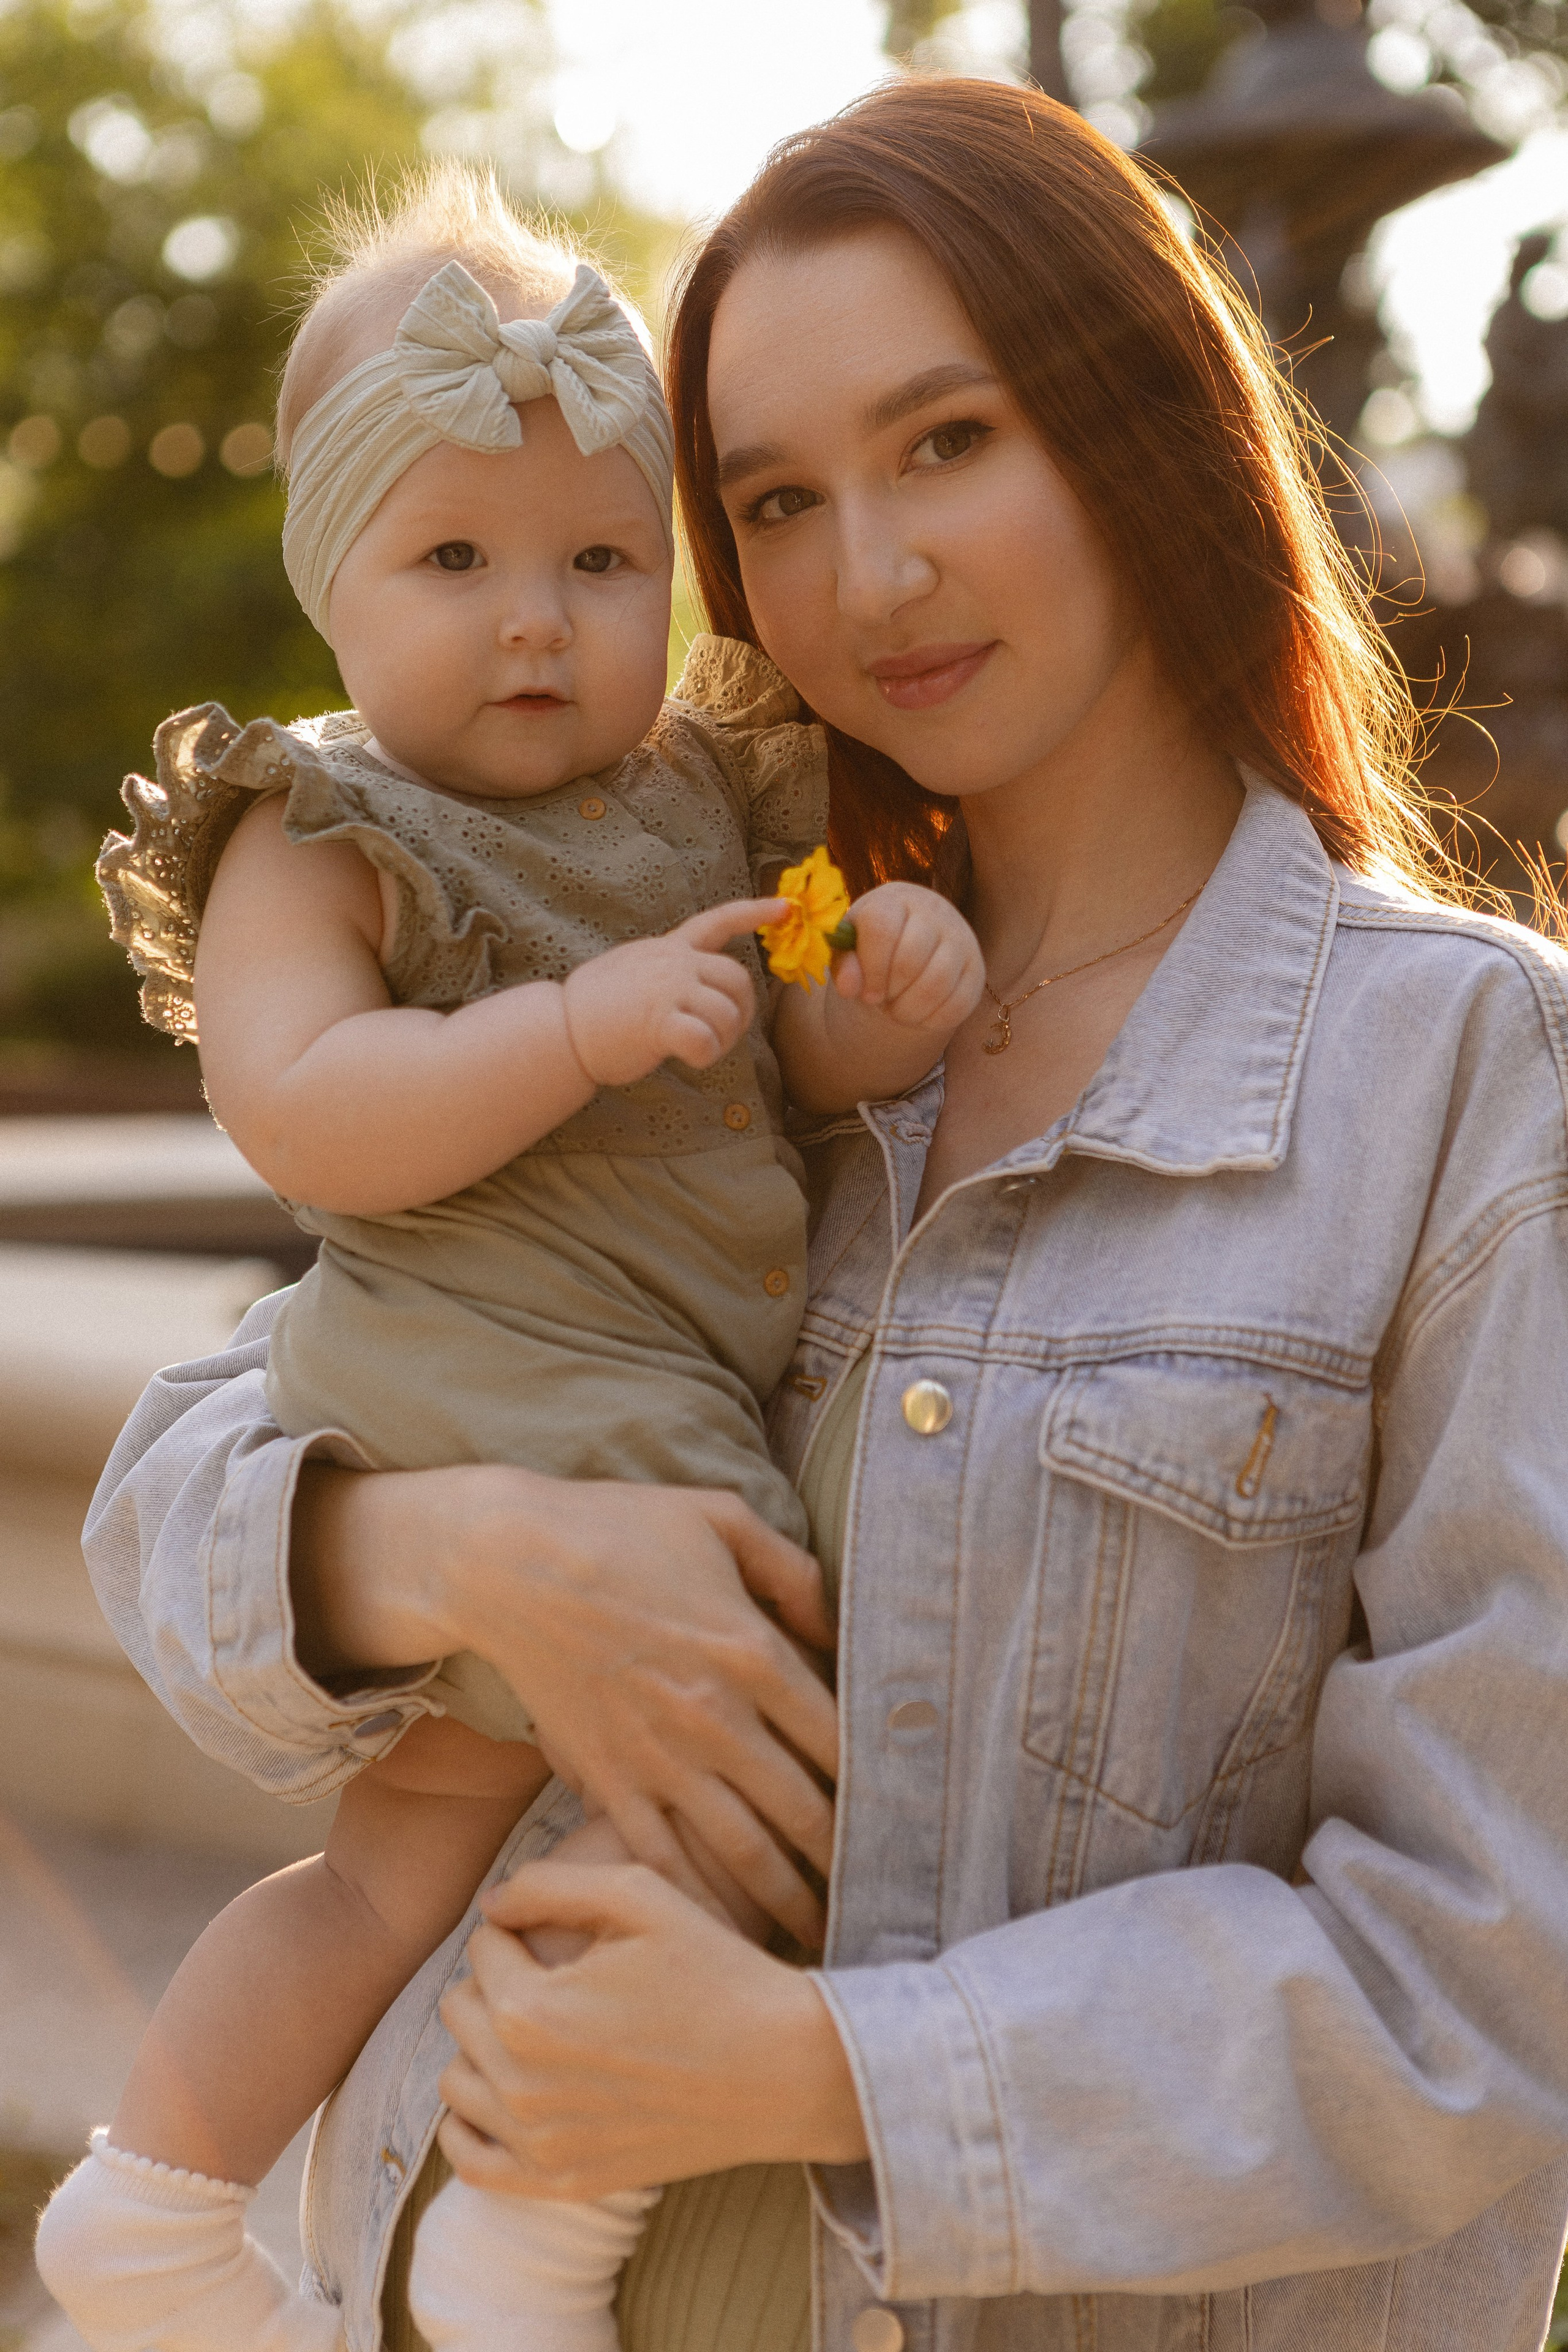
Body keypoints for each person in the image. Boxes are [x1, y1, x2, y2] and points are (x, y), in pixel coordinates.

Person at [66, 75, 1568, 2352]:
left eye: (949, 440)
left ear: (1143, 423)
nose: (870, 576)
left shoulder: (1459, 1079)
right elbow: (177, 1494)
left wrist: (812, 2069)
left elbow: (1494, 1978)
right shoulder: (709, 975)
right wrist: (460, 1560)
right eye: (777, 497)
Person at [34, 162, 981, 2352]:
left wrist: (885, 984)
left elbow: (799, 1032)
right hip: (497, 1360)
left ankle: (152, 2213)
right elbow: (303, 1106)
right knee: (757, 1723)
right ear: (334, 593)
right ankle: (528, 2233)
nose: (538, 620)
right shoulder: (326, 820)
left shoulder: (706, 803)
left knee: (396, 1865)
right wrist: (561, 1025)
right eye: (454, 559)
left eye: (598, 559)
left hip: (614, 1375)